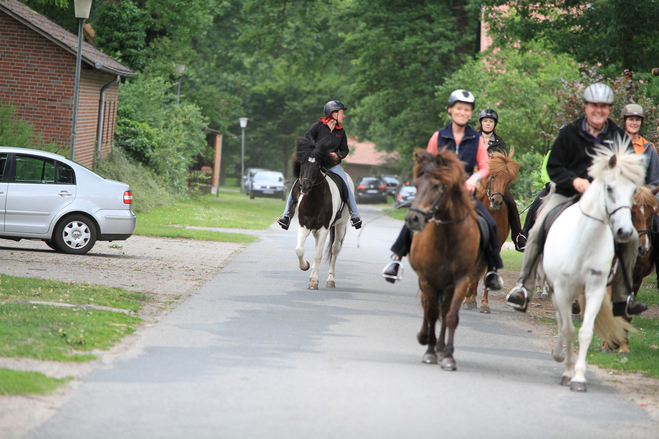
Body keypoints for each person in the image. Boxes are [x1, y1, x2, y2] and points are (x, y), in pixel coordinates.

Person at [505, 83, 648, 317]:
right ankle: (524, 286)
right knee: (538, 227)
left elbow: (631, 168)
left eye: (604, 106)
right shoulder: (568, 133)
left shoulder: (618, 137)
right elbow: (553, 166)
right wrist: (575, 181)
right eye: (594, 105)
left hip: (604, 199)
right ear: (586, 107)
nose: (598, 110)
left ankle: (624, 297)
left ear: (610, 109)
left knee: (631, 238)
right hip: (568, 194)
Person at [382, 90, 504, 290]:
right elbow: (428, 164)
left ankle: (492, 270)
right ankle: (396, 259)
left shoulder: (476, 139)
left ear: (471, 114)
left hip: (464, 195)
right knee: (415, 215)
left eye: (467, 110)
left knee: (489, 224)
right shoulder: (438, 136)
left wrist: (474, 178)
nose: (462, 112)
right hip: (437, 192)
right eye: (459, 109)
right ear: (450, 110)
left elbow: (484, 167)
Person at [277, 100, 362, 230]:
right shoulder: (317, 127)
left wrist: (338, 155)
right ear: (334, 114)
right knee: (297, 183)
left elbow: (345, 150)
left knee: (346, 184)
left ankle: (355, 215)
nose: (343, 116)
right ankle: (286, 215)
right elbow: (308, 143)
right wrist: (328, 132)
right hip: (315, 163)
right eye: (341, 113)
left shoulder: (341, 132)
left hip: (333, 165)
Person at [478, 108, 526, 251]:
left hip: (494, 180)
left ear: (494, 124)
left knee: (510, 201)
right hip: (475, 177)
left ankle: (518, 236)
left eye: (490, 121)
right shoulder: (473, 139)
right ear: (481, 123)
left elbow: (504, 163)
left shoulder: (500, 143)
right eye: (485, 121)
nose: (488, 124)